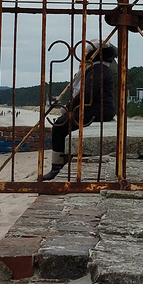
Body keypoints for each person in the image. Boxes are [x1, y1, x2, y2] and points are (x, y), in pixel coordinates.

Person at [44, 39, 117, 179]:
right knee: (62, 123)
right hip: (98, 109)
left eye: (87, 51)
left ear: (94, 53)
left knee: (59, 126)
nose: (84, 54)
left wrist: (69, 107)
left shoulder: (98, 69)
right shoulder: (99, 68)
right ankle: (62, 163)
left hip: (98, 110)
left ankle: (57, 167)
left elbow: (86, 94)